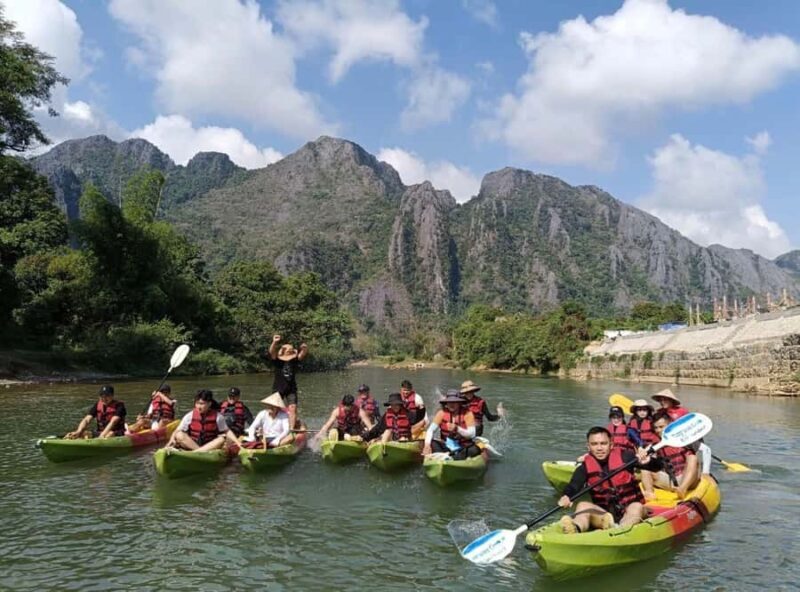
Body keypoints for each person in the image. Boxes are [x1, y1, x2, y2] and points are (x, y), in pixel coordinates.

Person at [558, 426, 657, 534]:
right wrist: (567, 495)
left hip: (632, 512)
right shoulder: (585, 468)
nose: (599, 448)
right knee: (582, 505)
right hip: (604, 516)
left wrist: (648, 461)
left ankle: (619, 531)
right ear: (588, 447)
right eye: (594, 444)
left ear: (611, 445)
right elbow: (574, 485)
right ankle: (575, 528)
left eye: (603, 443)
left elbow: (657, 467)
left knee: (636, 506)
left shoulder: (626, 457)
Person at [640, 410, 700, 499]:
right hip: (670, 480)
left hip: (686, 479)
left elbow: (696, 450)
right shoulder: (655, 444)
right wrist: (643, 456)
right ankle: (650, 493)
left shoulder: (684, 438)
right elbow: (648, 459)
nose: (658, 430)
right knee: (644, 467)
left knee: (692, 458)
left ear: (670, 425)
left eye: (661, 427)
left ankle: (683, 489)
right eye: (656, 428)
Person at [651, 389, 711, 474]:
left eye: (665, 399)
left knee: (706, 449)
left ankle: (706, 472)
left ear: (671, 400)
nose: (662, 402)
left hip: (684, 437)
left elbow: (693, 425)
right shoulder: (659, 412)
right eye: (661, 400)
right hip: (668, 440)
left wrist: (699, 439)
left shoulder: (682, 411)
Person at [167, 389, 240, 452]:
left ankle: (196, 453)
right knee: (179, 434)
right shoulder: (189, 415)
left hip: (210, 446)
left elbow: (227, 431)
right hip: (193, 445)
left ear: (209, 404)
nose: (198, 406)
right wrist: (171, 441)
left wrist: (238, 443)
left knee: (221, 439)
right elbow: (177, 430)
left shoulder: (218, 417)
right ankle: (199, 451)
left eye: (202, 404)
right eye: (197, 403)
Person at [423, 390, 481, 460]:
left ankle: (450, 458)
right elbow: (430, 430)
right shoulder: (441, 413)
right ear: (446, 403)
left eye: (454, 402)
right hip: (446, 447)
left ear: (459, 403)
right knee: (432, 442)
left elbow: (472, 434)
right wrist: (427, 445)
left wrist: (457, 429)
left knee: (475, 449)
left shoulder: (468, 414)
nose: (451, 404)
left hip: (463, 447)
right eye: (449, 402)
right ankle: (445, 456)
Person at [268, 334, 308, 430]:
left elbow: (302, 355)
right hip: (278, 388)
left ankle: (291, 429)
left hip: (291, 388)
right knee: (274, 409)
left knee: (293, 407)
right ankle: (270, 427)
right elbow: (271, 352)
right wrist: (274, 342)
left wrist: (304, 348)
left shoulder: (294, 360)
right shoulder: (277, 360)